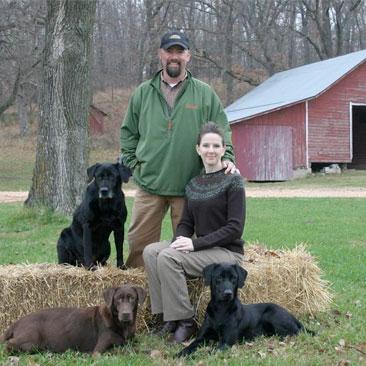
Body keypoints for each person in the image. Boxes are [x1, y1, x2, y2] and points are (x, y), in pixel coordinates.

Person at [120, 30, 239, 268]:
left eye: (179, 51)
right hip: (149, 184)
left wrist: (226, 158)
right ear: (160, 54)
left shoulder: (204, 93)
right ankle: (137, 299)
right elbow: (128, 132)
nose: (174, 56)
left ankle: (184, 298)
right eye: (169, 51)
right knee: (138, 246)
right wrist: (135, 164)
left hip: (190, 187)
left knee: (186, 249)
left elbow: (222, 129)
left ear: (188, 56)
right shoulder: (143, 92)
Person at [143, 122, 246, 343]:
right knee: (152, 251)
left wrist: (194, 245)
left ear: (223, 149)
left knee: (169, 258)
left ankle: (186, 322)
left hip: (226, 252)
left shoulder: (234, 181)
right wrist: (178, 240)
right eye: (206, 145)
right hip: (204, 247)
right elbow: (186, 223)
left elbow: (235, 228)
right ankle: (165, 318)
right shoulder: (194, 184)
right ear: (198, 149)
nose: (211, 150)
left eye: (216, 146)